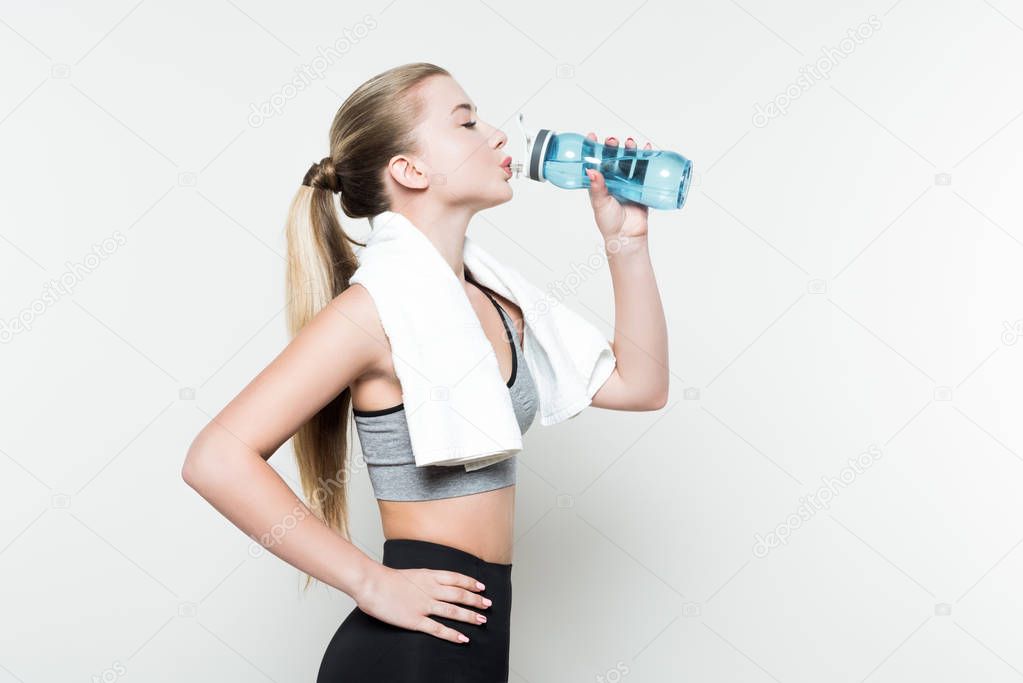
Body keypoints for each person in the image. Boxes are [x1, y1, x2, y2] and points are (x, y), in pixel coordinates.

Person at [181, 62, 669, 682]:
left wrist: (626, 242)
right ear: (409, 170)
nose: (497, 136)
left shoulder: (495, 299)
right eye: (466, 122)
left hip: (477, 635)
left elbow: (642, 386)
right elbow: (215, 459)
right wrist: (368, 582)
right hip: (409, 651)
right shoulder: (373, 312)